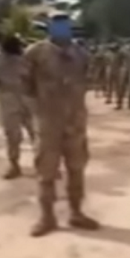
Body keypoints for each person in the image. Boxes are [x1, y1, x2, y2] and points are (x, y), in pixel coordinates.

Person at [22, 12, 100, 237]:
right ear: (49, 28)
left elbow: (89, 80)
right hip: (48, 122)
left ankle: (76, 213)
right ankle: (47, 217)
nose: (61, 28)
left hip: (75, 121)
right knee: (46, 171)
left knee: (77, 168)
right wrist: (40, 111)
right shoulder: (35, 53)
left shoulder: (81, 53)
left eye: (65, 24)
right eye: (57, 24)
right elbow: (26, 86)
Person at [0, 35, 35, 179]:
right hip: (11, 99)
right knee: (13, 135)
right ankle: (14, 165)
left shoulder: (26, 57)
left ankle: (43, 164)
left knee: (36, 133)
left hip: (26, 97)